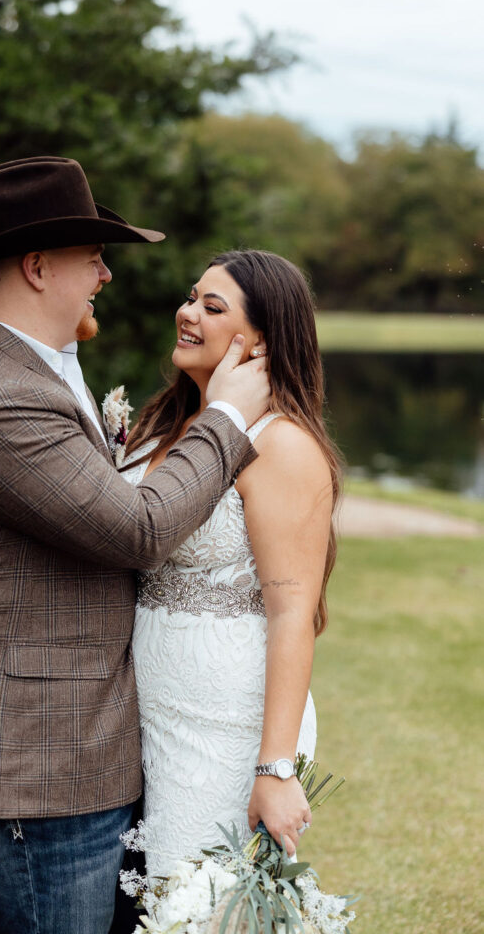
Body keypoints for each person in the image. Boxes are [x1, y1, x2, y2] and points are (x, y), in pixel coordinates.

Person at [0, 157, 272, 934]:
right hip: (39, 764)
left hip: (78, 747)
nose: (105, 273)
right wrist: (229, 418)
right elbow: (135, 529)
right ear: (38, 267)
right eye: (92, 256)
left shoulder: (40, 367)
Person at [121, 248, 342, 876]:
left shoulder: (282, 445)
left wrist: (274, 768)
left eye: (211, 307)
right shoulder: (167, 424)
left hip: (224, 724)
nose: (186, 313)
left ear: (262, 341)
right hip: (144, 716)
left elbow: (293, 611)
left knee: (189, 903)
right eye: (191, 297)